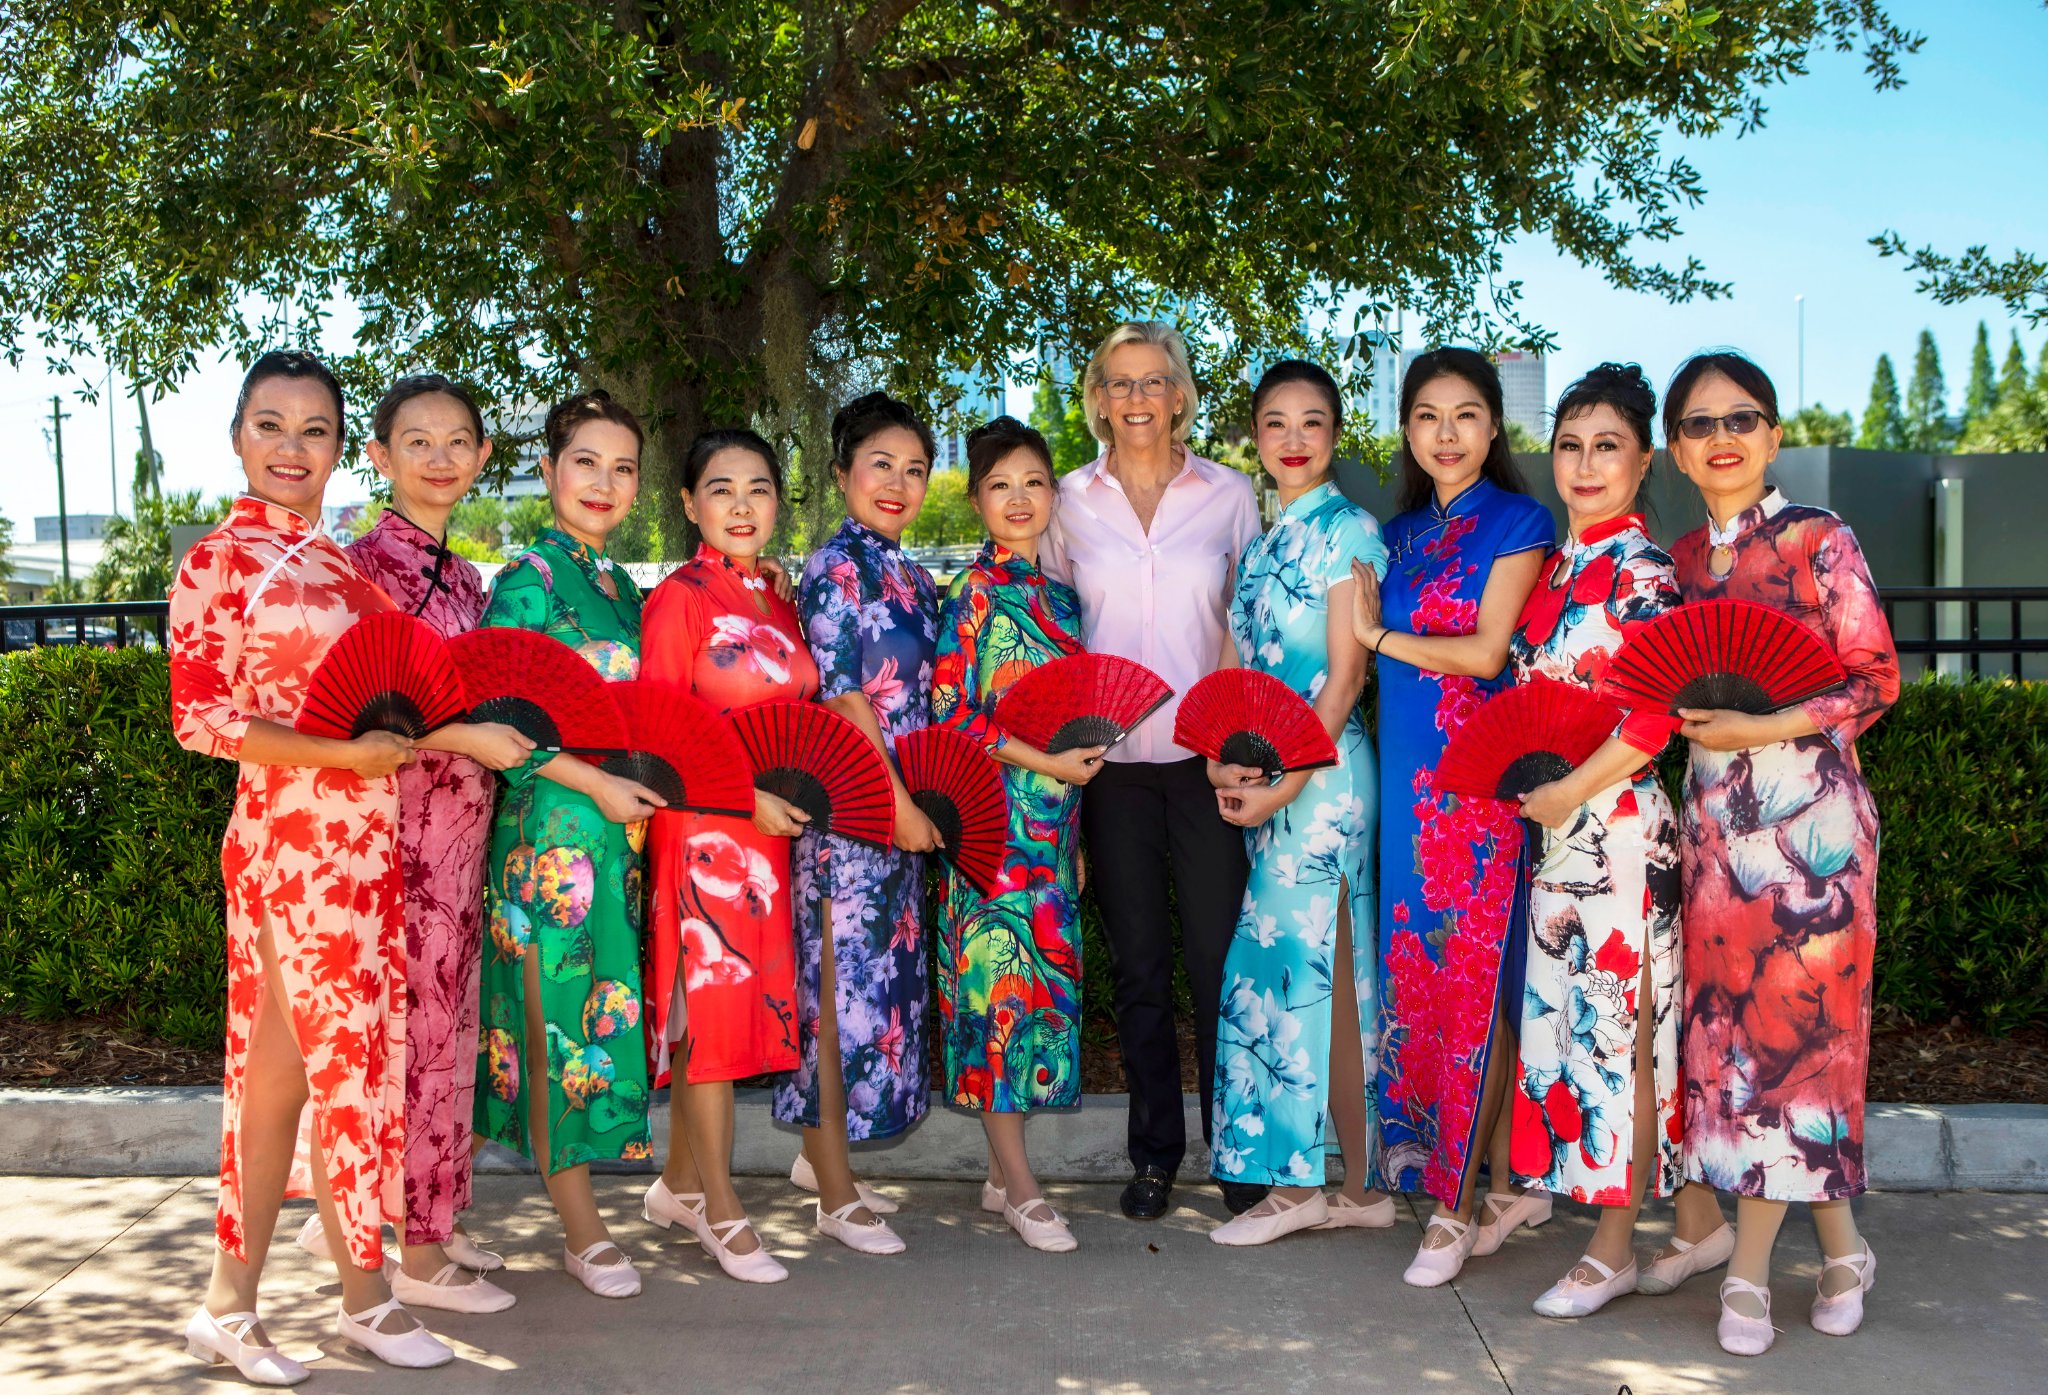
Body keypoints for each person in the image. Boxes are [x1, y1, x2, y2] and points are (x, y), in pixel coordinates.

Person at [171, 351, 453, 1381]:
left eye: (315, 430)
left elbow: (403, 691)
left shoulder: (345, 568)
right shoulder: (218, 562)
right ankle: (360, 1297)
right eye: (271, 425)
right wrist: (342, 755)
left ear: (341, 449)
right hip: (288, 849)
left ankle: (232, 1302)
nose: (293, 448)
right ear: (238, 438)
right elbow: (200, 719)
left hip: (365, 850)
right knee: (330, 1072)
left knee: (294, 1081)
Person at [1659, 351, 1899, 1356]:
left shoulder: (1814, 539)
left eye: (1742, 418)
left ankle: (1748, 1277)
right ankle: (1843, 1249)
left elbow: (1873, 679)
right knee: (1731, 1054)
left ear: (1771, 435)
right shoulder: (1680, 564)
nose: (1722, 436)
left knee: (1790, 1047)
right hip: (1714, 838)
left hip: (1811, 842)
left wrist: (1757, 730)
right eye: (1700, 422)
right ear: (1674, 447)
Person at [285, 376, 533, 1318]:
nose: (440, 457)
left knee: (445, 1033)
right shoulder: (358, 570)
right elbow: (355, 713)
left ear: (479, 457)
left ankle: (421, 1208)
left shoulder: (469, 579)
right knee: (410, 1039)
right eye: (415, 441)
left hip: (462, 839)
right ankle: (417, 1255)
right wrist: (466, 736)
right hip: (392, 839)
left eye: (459, 441)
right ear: (380, 458)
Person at [1499, 364, 1729, 1316]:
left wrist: (1567, 793)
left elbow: (1651, 721)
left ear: (1643, 461)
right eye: (1569, 444)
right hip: (1564, 831)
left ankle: (1610, 1243)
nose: (1585, 463)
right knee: (1586, 1029)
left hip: (1620, 827)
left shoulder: (1641, 573)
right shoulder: (1559, 566)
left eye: (1607, 446)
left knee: (1618, 1039)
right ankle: (1701, 1219)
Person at [1041, 320, 1265, 1220]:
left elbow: (1248, 629)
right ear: (1098, 398)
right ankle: (1154, 1154)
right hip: (1111, 773)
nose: (1136, 398)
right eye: (1119, 383)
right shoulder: (1065, 501)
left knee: (1218, 963)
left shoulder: (1232, 494)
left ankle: (1240, 1156)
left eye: (1154, 381)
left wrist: (1248, 752)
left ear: (1180, 394)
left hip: (1208, 765)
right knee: (1138, 966)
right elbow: (1050, 631)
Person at [1349, 347, 1553, 1287]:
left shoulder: (1520, 519)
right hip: (1406, 788)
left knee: (1476, 982)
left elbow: (1484, 653)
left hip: (1478, 787)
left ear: (1495, 427)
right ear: (1406, 430)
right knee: (1417, 980)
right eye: (1427, 415)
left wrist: (1376, 633)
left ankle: (1456, 1203)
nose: (1446, 433)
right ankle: (1475, 1175)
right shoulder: (1388, 536)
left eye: (1466, 414)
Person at [472, 390, 667, 1299]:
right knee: (552, 1024)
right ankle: (580, 1227)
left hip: (616, 842)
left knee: (597, 1019)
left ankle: (432, 1196)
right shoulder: (529, 582)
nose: (604, 482)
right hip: (549, 843)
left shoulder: (624, 589)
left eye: (622, 467)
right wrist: (592, 782)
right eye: (585, 461)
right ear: (549, 471)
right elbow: (495, 719)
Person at [1206, 362, 1392, 1245]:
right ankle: (1357, 1181)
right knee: (1330, 966)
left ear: (1334, 434)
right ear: (1255, 433)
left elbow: (1348, 677)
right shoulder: (1262, 544)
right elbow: (1241, 678)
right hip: (1272, 772)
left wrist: (1284, 777)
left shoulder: (1351, 530)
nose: (1292, 437)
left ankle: (1296, 1184)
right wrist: (1234, 769)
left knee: (1289, 967)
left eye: (1311, 421)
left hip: (1323, 777)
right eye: (1274, 421)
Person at [638, 429, 819, 1284]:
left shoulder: (776, 599)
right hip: (706, 832)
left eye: (758, 487)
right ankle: (721, 1207)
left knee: (733, 1023)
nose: (742, 504)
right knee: (705, 1029)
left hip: (768, 842)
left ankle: (677, 1184)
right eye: (720, 488)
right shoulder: (679, 599)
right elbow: (661, 734)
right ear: (687, 504)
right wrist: (743, 798)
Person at [930, 416, 1103, 1253]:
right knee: (999, 997)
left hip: (1053, 832)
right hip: (992, 828)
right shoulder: (971, 594)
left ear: (1053, 493)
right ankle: (1024, 1184)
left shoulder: (1063, 597)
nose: (1020, 497)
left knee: (1046, 996)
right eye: (1001, 484)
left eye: (1034, 480)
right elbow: (952, 715)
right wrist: (1051, 762)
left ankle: (1003, 1177)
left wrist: (1072, 817)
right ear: (977, 501)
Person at [776, 391, 941, 1255]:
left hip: (900, 823)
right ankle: (832, 1191)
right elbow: (845, 699)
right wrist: (901, 803)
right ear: (842, 474)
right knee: (836, 994)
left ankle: (822, 1157)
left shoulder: (909, 571)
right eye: (882, 464)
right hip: (851, 814)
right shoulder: (833, 566)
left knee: (878, 991)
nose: (900, 483)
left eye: (915, 469)